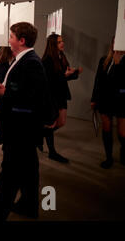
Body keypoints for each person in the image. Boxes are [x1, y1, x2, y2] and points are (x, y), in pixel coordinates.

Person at [0, 22, 57, 222]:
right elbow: (24, 88)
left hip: (21, 127)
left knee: (9, 172)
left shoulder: (31, 62)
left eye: (11, 37)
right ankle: (28, 205)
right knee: (28, 168)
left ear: (21, 40)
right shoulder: (22, 60)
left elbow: (32, 95)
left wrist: (6, 92)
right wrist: (6, 88)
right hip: (23, 126)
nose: (8, 40)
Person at [41, 34, 83, 163]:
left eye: (62, 41)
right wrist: (64, 75)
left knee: (61, 122)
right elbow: (49, 82)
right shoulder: (47, 60)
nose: (62, 43)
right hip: (52, 95)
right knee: (51, 124)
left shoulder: (62, 56)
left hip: (62, 94)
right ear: (53, 44)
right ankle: (52, 152)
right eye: (59, 42)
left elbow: (65, 77)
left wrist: (75, 73)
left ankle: (38, 136)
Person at [91, 37, 125, 169]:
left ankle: (123, 151)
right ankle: (108, 158)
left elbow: (121, 82)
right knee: (106, 128)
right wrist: (94, 98)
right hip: (105, 99)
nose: (116, 44)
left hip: (121, 100)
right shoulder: (104, 59)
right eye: (114, 41)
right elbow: (98, 81)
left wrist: (117, 65)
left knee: (122, 133)